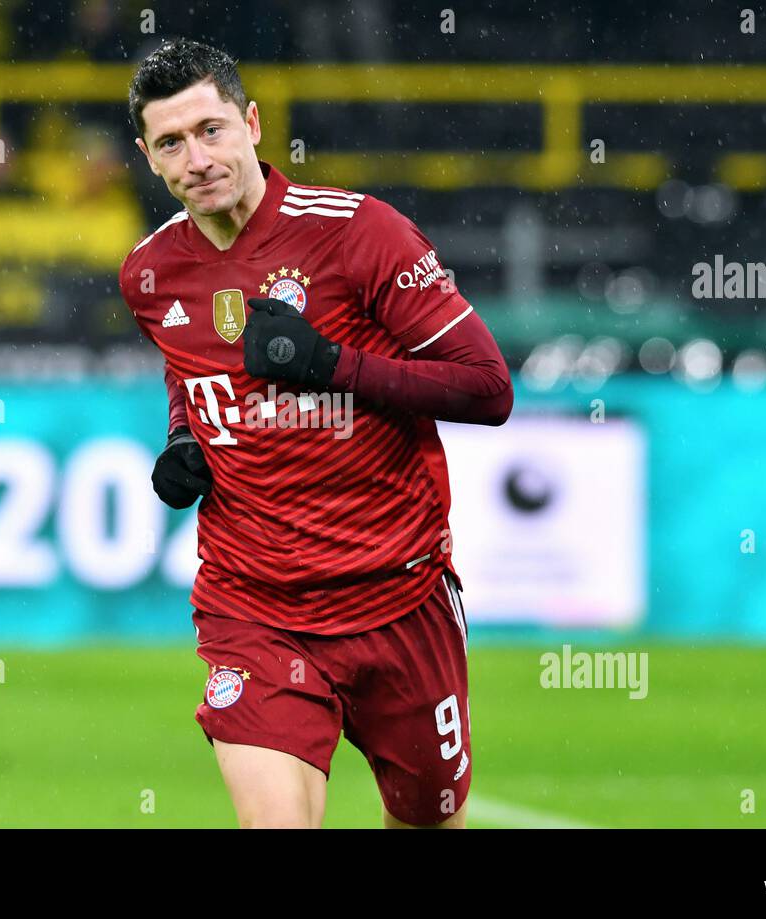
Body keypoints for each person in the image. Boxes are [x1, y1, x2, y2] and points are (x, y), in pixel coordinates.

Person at [118, 38, 513, 829]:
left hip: (399, 597)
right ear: (148, 158)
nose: (197, 158)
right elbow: (189, 372)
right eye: (171, 143)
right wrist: (184, 437)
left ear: (253, 123)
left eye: (211, 129)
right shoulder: (150, 272)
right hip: (255, 604)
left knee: (429, 818)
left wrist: (333, 363)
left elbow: (488, 388)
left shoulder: (360, 234)